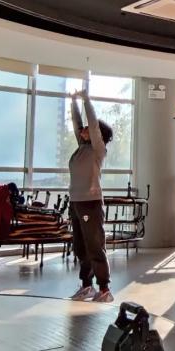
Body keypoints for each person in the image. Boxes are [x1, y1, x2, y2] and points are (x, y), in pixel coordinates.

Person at [67, 89, 115, 303]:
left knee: (94, 246)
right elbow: (77, 123)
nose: (83, 130)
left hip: (90, 203)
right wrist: (73, 102)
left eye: (87, 129)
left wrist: (86, 100)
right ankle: (87, 285)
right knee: (80, 246)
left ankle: (104, 289)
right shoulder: (82, 148)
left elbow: (92, 124)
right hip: (76, 202)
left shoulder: (97, 150)